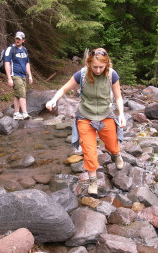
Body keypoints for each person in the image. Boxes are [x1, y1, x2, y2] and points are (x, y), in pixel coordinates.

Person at [45, 48, 126, 196]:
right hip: (85, 116)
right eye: (94, 67)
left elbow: (118, 97)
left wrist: (121, 114)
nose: (98, 70)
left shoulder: (112, 75)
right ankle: (93, 180)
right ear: (88, 64)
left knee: (112, 143)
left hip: (105, 114)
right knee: (89, 150)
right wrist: (53, 100)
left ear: (107, 64)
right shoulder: (81, 74)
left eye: (101, 67)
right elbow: (64, 89)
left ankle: (116, 154)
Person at [4, 31, 33, 120]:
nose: (17, 40)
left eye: (19, 39)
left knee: (17, 95)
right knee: (22, 94)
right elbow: (6, 63)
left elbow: (27, 63)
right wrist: (9, 78)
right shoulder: (10, 49)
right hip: (15, 75)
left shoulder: (24, 50)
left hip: (23, 76)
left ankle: (16, 113)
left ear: (23, 40)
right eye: (16, 38)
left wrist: (30, 75)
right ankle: (25, 113)